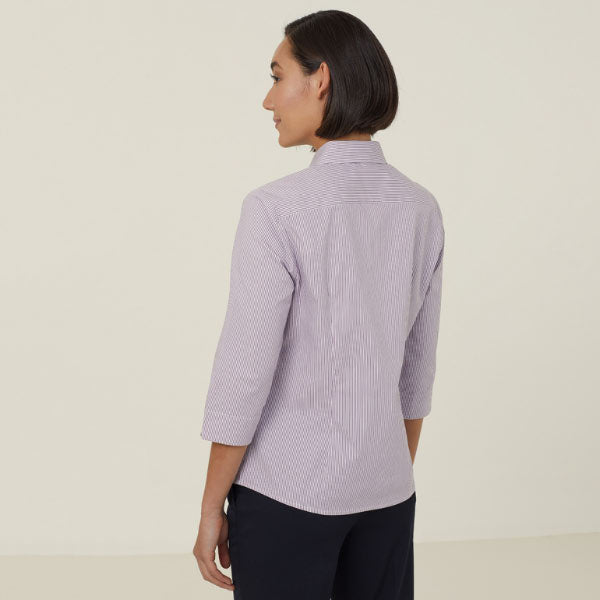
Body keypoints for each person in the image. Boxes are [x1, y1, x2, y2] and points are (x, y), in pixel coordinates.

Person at [193, 9, 445, 600]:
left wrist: (210, 508)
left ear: (321, 79)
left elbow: (244, 373)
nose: (267, 100)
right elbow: (417, 371)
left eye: (277, 76)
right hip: (388, 494)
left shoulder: (276, 209)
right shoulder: (421, 208)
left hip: (287, 495)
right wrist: (380, 474)